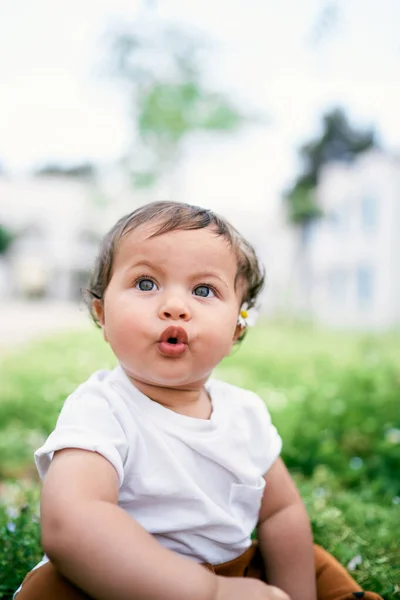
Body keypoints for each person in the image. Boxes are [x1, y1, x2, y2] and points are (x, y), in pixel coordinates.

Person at [15, 201, 382, 600]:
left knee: (313, 564)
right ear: (102, 315)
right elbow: (73, 524)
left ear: (236, 328)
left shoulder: (245, 415)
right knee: (53, 589)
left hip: (232, 567)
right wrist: (210, 592)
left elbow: (281, 512)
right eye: (145, 283)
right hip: (120, 579)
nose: (175, 306)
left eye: (203, 290)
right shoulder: (101, 409)